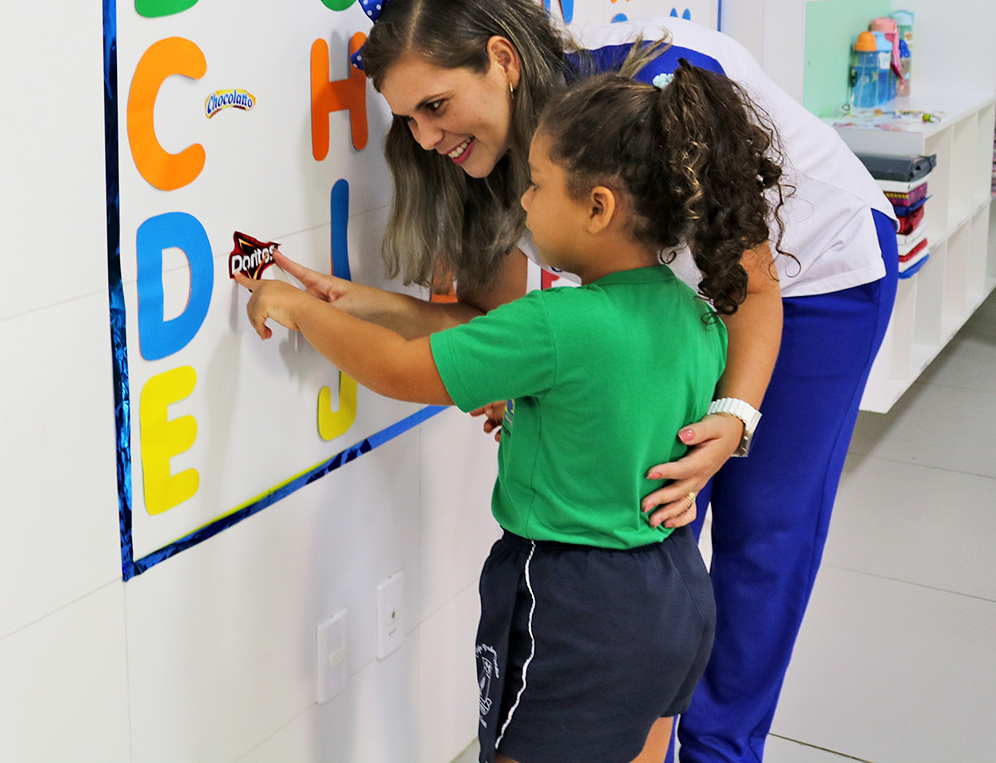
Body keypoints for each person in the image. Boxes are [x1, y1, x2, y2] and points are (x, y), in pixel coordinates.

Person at [282, 0, 895, 763]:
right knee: (655, 518)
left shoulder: (643, 98)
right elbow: (493, 331)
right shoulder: (493, 164)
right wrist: (368, 307)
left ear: (502, 61)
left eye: (435, 106)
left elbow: (754, 283)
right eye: (407, 120)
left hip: (813, 275)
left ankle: (721, 751)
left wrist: (736, 414)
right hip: (682, 304)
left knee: (763, 535)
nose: (425, 138)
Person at [242, 62, 783, 761]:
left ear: (598, 208)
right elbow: (601, 405)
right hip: (674, 590)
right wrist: (360, 302)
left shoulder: (557, 323)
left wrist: (299, 310)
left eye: (536, 183)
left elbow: (398, 369)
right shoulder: (693, 312)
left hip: (574, 603)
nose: (523, 202)